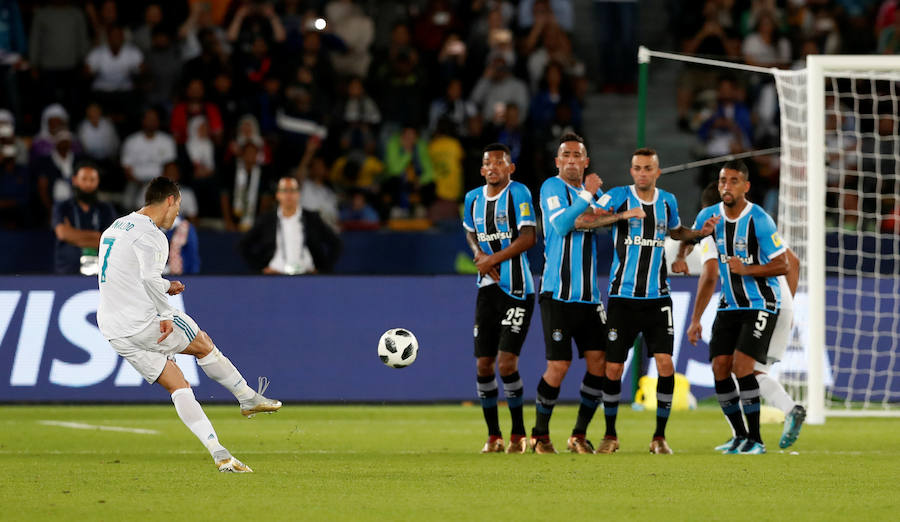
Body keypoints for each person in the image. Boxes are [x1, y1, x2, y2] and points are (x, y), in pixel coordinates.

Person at [96, 176, 282, 472]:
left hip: (114, 328)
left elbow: (126, 272)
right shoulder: (153, 234)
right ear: (169, 200)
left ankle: (220, 454)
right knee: (203, 344)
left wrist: (166, 285)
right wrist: (167, 314)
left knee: (178, 385)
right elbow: (146, 278)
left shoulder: (116, 227)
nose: (178, 214)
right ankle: (247, 398)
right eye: (178, 206)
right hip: (143, 320)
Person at [593, 148, 718, 454]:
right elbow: (586, 219)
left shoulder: (667, 201)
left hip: (658, 298)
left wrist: (700, 234)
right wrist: (621, 216)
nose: (642, 173)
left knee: (665, 365)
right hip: (622, 297)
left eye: (648, 168)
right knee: (613, 368)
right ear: (631, 171)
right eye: (637, 168)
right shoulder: (618, 196)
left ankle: (659, 437)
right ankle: (610, 435)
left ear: (657, 172)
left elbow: (676, 232)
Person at [530, 132, 643, 454]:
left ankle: (578, 434)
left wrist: (611, 211)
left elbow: (599, 219)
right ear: (557, 161)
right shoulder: (552, 187)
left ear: (586, 161)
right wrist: (590, 199)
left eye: (576, 155)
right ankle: (540, 435)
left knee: (601, 363)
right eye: (565, 155)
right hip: (557, 293)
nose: (570, 160)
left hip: (589, 298)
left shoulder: (593, 193)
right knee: (559, 365)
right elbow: (565, 224)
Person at [673, 184, 807, 450]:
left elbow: (710, 274)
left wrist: (784, 305)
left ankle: (782, 415)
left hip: (766, 303)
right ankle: (744, 436)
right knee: (737, 368)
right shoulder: (747, 227)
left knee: (748, 370)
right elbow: (793, 260)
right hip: (750, 303)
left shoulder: (719, 228)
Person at [462, 143, 537, 454]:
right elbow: (469, 231)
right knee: (483, 364)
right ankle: (494, 436)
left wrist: (493, 259)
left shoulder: (519, 193)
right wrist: (480, 254)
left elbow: (529, 237)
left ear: (510, 168)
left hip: (518, 289)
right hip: (487, 290)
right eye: (487, 163)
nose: (492, 167)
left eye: (499, 163)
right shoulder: (472, 199)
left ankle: (519, 434)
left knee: (507, 363)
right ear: (482, 170)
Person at [239, 177, 342, 275]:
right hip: (275, 276)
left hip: (307, 276)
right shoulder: (267, 220)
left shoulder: (312, 219)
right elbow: (243, 245)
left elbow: (336, 243)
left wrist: (323, 270)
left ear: (298, 194)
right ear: (278, 195)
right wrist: (260, 268)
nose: (289, 195)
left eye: (292, 190)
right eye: (284, 190)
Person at [52, 166, 116, 275]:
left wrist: (73, 236)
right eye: (84, 179)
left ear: (98, 182)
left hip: (100, 272)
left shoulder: (106, 209)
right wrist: (95, 237)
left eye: (92, 180)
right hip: (67, 272)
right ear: (75, 180)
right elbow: (62, 234)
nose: (88, 184)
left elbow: (110, 240)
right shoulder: (62, 207)